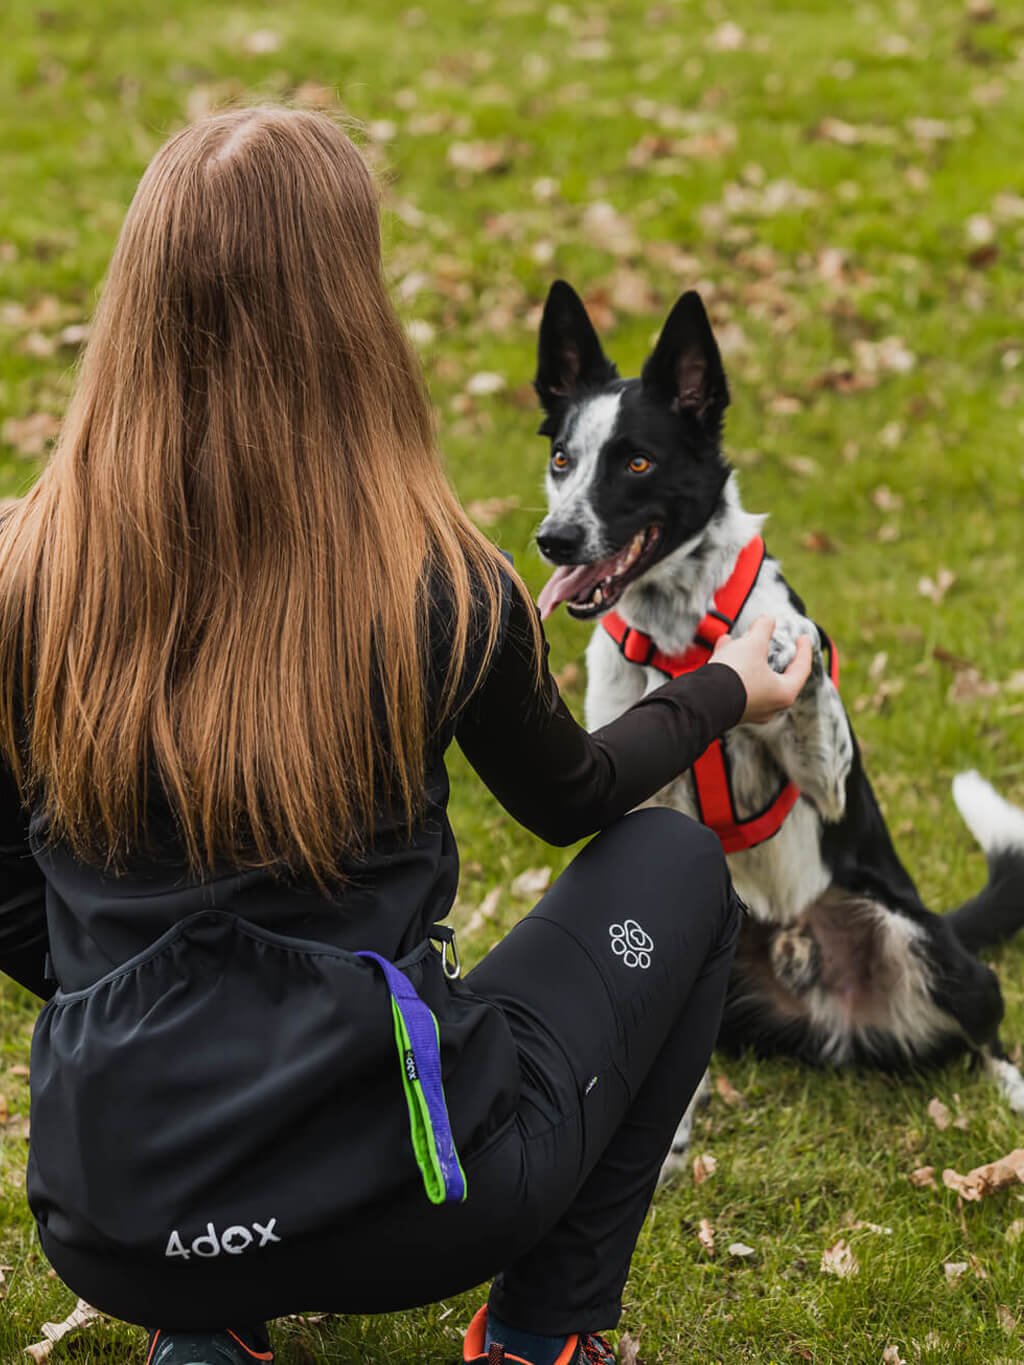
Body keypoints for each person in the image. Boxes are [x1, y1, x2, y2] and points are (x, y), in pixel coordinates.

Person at [0, 106, 811, 1365]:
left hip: (118, 1218)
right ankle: (543, 1334)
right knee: (679, 867)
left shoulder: (24, 565)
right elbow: (579, 794)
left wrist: (150, 1006)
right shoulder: (441, 582)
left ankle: (203, 1329)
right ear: (350, 318)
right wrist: (724, 686)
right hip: (423, 1206)